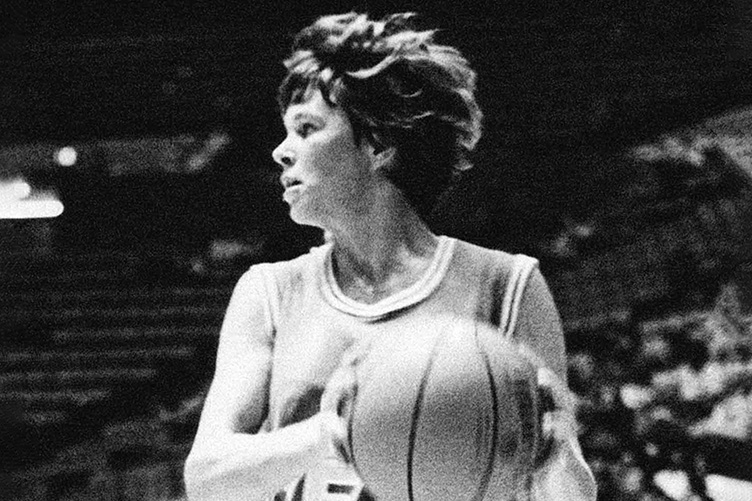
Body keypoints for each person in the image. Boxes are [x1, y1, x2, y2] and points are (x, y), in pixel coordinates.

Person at [184, 12, 596, 501]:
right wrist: (343, 429)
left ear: (378, 145)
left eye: (306, 129)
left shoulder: (508, 285)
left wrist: (555, 455)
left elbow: (568, 492)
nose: (281, 151)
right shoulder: (269, 291)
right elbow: (206, 479)